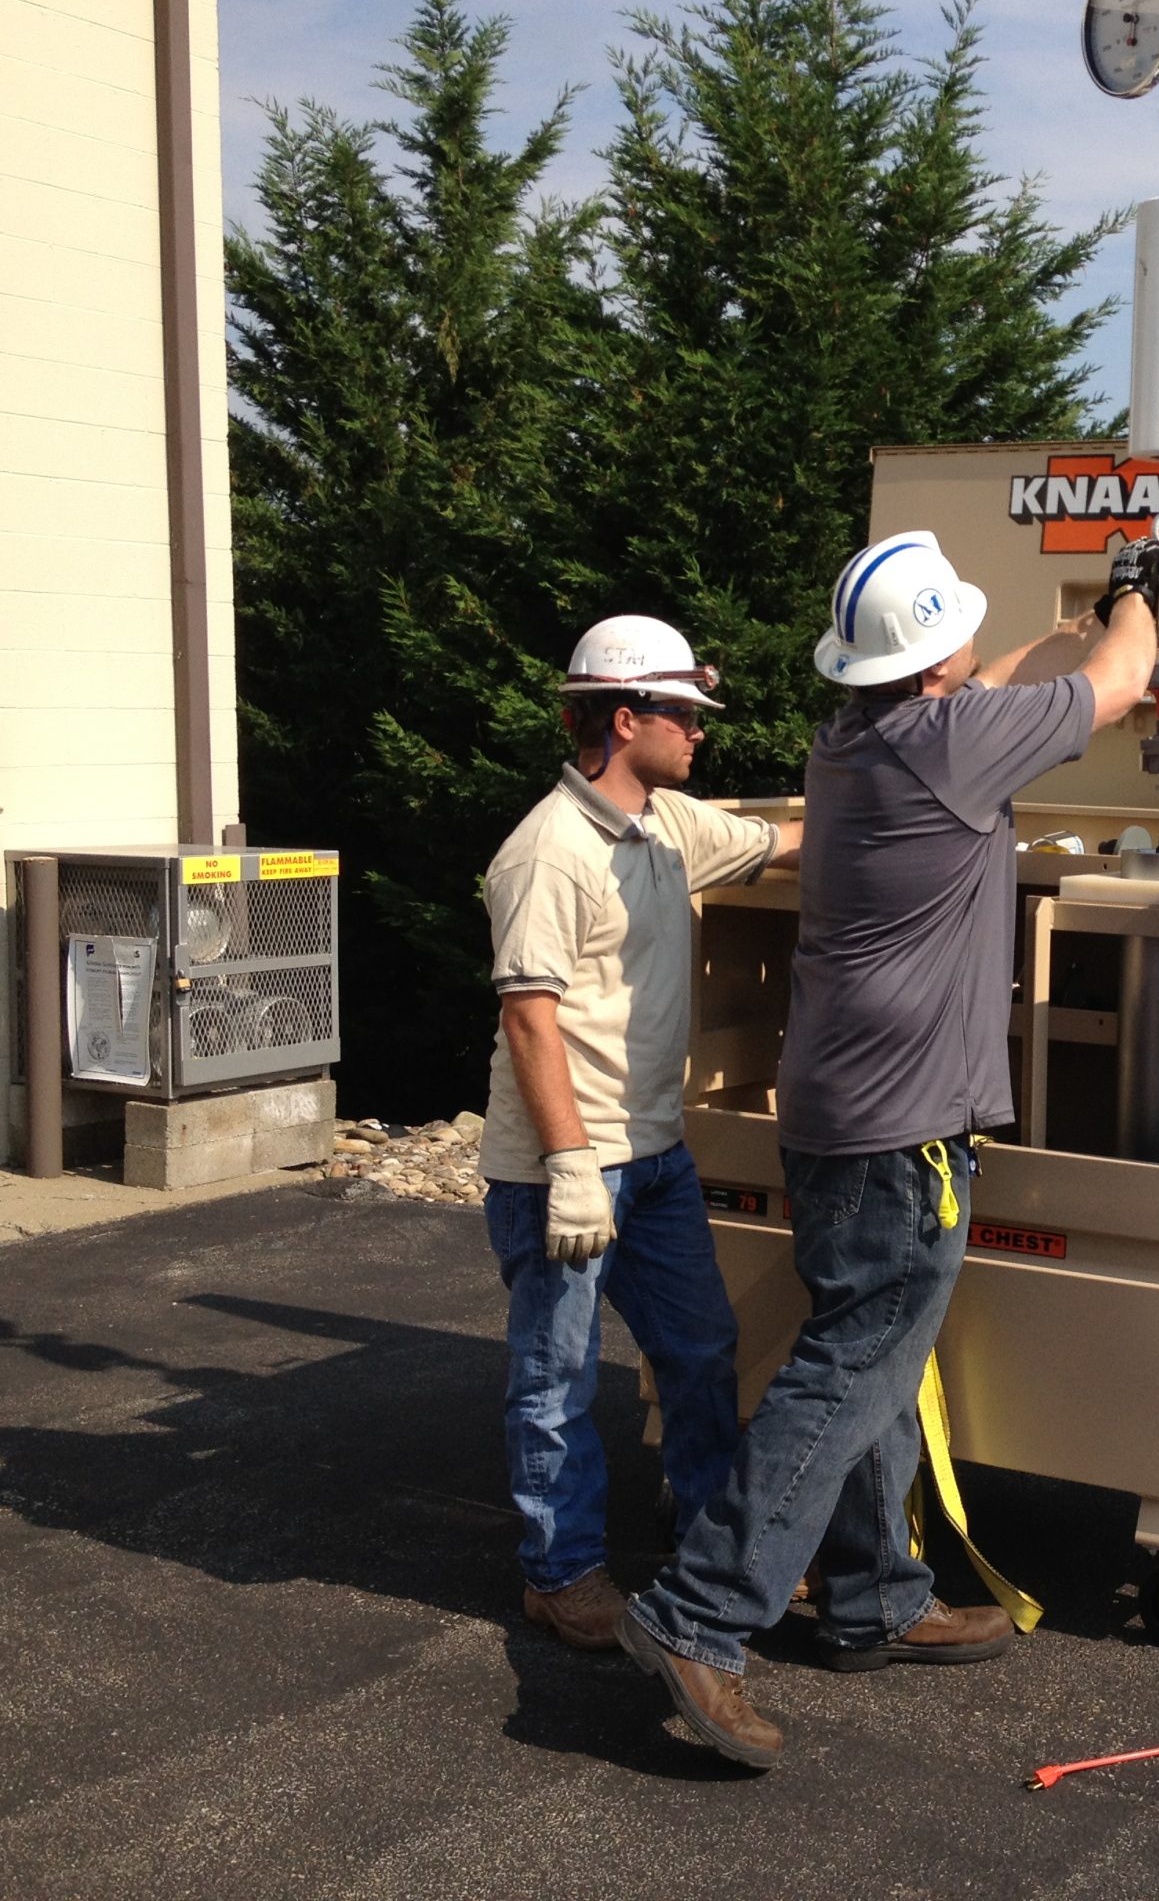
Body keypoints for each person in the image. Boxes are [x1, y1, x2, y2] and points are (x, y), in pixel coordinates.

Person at [615, 528, 1159, 1769]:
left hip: (831, 1111)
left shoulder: (862, 737)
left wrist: (1057, 637)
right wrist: (1133, 599)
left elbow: (986, 683)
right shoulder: (955, 745)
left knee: (872, 1356)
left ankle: (871, 1595)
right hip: (903, 1130)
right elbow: (1124, 683)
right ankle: (703, 1613)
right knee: (852, 1366)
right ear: (934, 662)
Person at [478, 614, 802, 1651]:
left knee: (700, 1349)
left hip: (653, 1158)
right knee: (557, 1380)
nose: (699, 731)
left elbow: (783, 841)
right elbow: (528, 1016)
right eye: (681, 713)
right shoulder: (546, 853)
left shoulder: (668, 827)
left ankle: (712, 1547)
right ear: (624, 719)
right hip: (565, 1169)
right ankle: (559, 1574)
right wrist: (570, 1165)